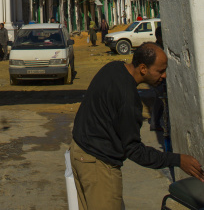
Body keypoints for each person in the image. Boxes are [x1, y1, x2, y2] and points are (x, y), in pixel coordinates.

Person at [70, 42, 204, 210]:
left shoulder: (113, 67)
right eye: (160, 71)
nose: (164, 76)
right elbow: (134, 150)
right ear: (143, 68)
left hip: (79, 154)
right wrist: (177, 160)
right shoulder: (129, 100)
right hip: (99, 166)